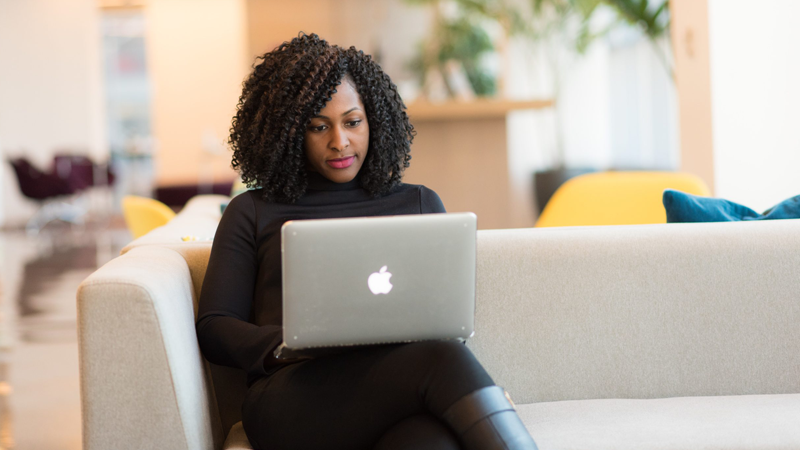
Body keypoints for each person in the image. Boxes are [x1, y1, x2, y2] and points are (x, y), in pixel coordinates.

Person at [196, 33, 538, 450]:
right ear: (287, 134)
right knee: (443, 359)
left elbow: (445, 318)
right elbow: (215, 327)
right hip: (293, 398)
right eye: (318, 127)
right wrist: (288, 345)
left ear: (375, 119)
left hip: (398, 389)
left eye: (352, 122)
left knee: (431, 440)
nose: (339, 141)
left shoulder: (419, 203)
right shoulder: (252, 210)